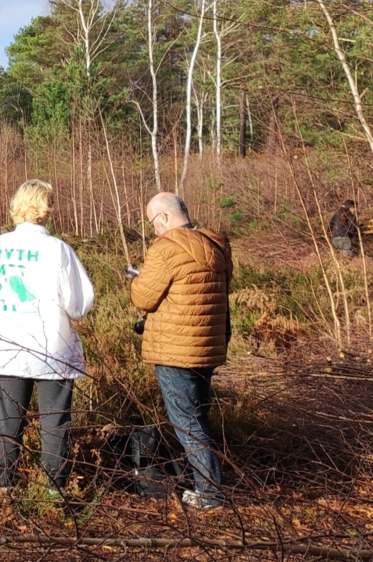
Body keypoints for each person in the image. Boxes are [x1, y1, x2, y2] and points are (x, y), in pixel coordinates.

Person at [0, 179, 95, 497]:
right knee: (54, 420)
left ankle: (5, 485)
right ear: (46, 208)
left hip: (9, 346)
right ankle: (54, 490)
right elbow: (79, 304)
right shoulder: (57, 249)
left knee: (9, 416)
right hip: (51, 348)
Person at [129, 191, 234, 510]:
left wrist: (134, 280)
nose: (153, 230)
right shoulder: (216, 244)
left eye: (152, 222)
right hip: (207, 345)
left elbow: (144, 299)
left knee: (186, 421)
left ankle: (210, 493)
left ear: (163, 217)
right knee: (199, 417)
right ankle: (206, 482)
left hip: (175, 350)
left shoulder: (166, 248)